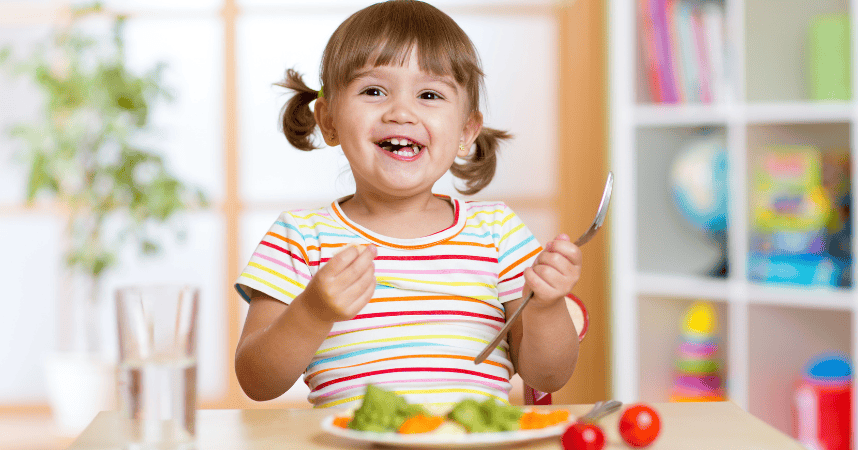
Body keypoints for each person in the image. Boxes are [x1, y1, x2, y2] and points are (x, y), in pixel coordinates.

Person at [234, 0, 581, 410]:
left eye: (429, 94)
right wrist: (312, 311)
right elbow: (256, 380)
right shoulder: (301, 236)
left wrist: (546, 306)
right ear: (328, 120)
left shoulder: (497, 232)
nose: (401, 112)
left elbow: (547, 375)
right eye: (373, 91)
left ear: (467, 130)